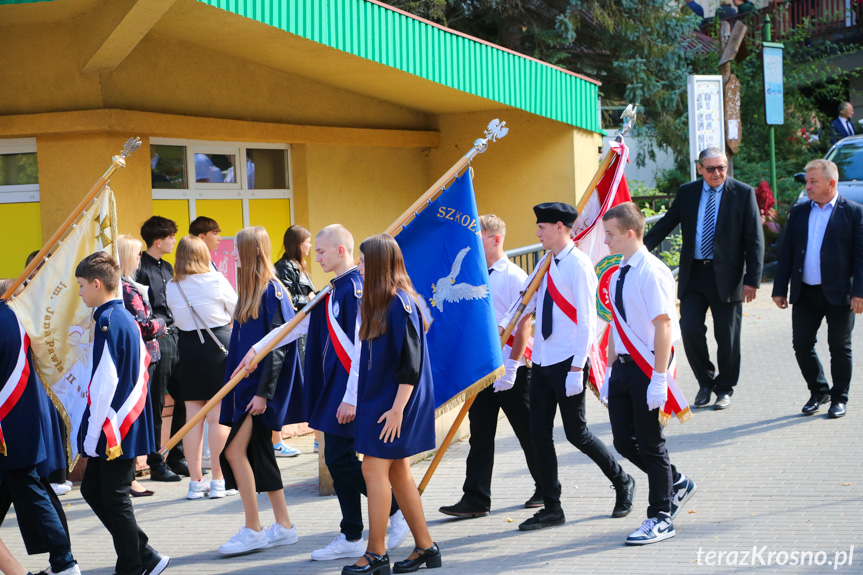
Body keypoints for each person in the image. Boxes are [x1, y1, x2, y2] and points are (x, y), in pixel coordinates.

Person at [233, 225, 409, 561]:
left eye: (323, 251)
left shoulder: (357, 290)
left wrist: (351, 397)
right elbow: (297, 325)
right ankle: (352, 533)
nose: (316, 256)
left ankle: (395, 512)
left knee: (341, 459)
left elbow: (361, 348)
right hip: (337, 389)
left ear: (342, 250)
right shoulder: (333, 290)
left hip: (350, 390)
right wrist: (257, 350)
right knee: (337, 459)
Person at [501, 202, 634, 532]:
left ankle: (622, 481)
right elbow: (526, 302)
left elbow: (588, 321)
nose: (537, 233)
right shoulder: (544, 263)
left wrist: (578, 369)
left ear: (560, 227)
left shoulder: (578, 266)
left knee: (577, 433)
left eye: (542, 228)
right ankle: (552, 506)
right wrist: (505, 321)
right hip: (543, 359)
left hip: (567, 362)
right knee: (538, 434)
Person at [601, 202, 698, 546]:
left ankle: (661, 516)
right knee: (624, 442)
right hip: (624, 369)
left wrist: (659, 377)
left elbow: (664, 325)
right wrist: (609, 369)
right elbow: (617, 324)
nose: (605, 241)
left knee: (651, 444)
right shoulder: (618, 272)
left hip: (647, 368)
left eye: (610, 235)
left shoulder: (652, 271)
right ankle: (677, 482)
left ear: (630, 233)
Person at [344, 234, 439, 575]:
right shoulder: (385, 302)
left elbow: (410, 363)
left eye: (364, 261)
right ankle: (426, 548)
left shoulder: (400, 303)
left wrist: (398, 408)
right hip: (385, 398)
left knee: (373, 469)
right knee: (398, 472)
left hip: (395, 400)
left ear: (381, 264)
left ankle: (376, 553)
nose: (359, 266)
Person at [438, 214, 542, 519]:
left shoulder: (513, 276)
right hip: (482, 368)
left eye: (478, 237)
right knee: (480, 435)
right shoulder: (475, 274)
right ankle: (476, 498)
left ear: (495, 239)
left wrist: (511, 366)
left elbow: (524, 324)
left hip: (511, 368)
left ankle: (547, 487)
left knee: (528, 432)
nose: (472, 244)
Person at [644, 147, 764, 411]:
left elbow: (754, 239)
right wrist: (637, 250)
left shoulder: (742, 193)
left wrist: (751, 280)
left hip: (728, 277)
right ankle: (705, 383)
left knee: (728, 336)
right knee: (690, 330)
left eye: (722, 167)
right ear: (700, 169)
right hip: (694, 275)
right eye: (710, 169)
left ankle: (725, 388)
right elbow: (666, 224)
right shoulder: (688, 192)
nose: (717, 173)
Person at [75, 252, 170, 575]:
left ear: (97, 284)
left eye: (81, 285)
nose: (79, 292)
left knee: (114, 496)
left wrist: (90, 437)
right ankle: (143, 555)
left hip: (115, 424)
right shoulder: (120, 316)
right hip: (122, 420)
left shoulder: (108, 321)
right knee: (93, 490)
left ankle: (134, 565)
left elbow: (105, 382)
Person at [217, 227, 302, 556]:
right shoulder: (250, 292)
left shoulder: (272, 292)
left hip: (259, 393)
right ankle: (282, 525)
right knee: (259, 456)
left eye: (237, 249)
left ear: (252, 251)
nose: (233, 254)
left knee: (235, 453)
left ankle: (255, 527)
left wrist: (265, 394)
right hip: (247, 391)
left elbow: (279, 346)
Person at [772, 159, 863, 419]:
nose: (808, 186)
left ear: (831, 183)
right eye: (807, 181)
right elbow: (786, 252)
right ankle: (819, 391)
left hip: (840, 294)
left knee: (840, 347)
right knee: (801, 344)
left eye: (813, 181)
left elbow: (861, 256)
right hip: (806, 292)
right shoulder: (800, 212)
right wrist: (780, 288)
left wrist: (859, 292)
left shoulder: (854, 212)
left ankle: (839, 398)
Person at [0, 299, 80, 575]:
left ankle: (64, 562)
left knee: (33, 490)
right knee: (30, 488)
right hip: (21, 422)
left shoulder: (6, 320)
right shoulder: (17, 317)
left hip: (8, 429)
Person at [166, 236, 238, 500]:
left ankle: (196, 482)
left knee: (192, 416)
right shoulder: (216, 280)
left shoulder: (172, 285)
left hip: (188, 348)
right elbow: (237, 309)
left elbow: (175, 315)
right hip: (218, 345)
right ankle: (219, 480)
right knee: (218, 415)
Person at [136, 216, 187, 481]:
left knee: (186, 397)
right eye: (171, 237)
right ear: (159, 241)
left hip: (176, 336)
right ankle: (156, 463)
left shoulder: (167, 267)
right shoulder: (139, 269)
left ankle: (176, 455)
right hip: (156, 340)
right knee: (155, 402)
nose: (174, 241)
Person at [117, 234, 168, 498]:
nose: (140, 258)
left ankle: (130, 477)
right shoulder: (124, 289)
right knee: (134, 417)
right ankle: (128, 478)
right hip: (141, 359)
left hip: (147, 357)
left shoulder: (127, 284)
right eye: (136, 253)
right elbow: (144, 326)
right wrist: (162, 323)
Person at [272, 224, 316, 458]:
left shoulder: (300, 266)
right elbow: (286, 298)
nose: (310, 246)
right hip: (293, 334)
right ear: (298, 243)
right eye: (307, 241)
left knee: (311, 383)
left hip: (304, 333)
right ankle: (276, 441)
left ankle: (319, 438)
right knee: (285, 386)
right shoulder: (284, 267)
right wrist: (308, 297)